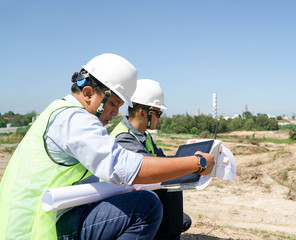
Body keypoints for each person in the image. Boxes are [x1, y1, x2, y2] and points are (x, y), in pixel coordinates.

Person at [0, 53, 215, 240]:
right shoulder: (74, 119)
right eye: (113, 104)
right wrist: (198, 163)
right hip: (33, 229)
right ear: (88, 93)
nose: (115, 113)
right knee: (145, 206)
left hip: (42, 217)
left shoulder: (59, 110)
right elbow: (125, 168)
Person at [111, 79, 191, 240]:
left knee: (183, 220)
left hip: (139, 196)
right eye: (158, 113)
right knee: (171, 189)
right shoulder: (124, 138)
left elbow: (161, 160)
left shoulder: (143, 135)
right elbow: (148, 171)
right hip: (124, 202)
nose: (159, 118)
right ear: (142, 113)